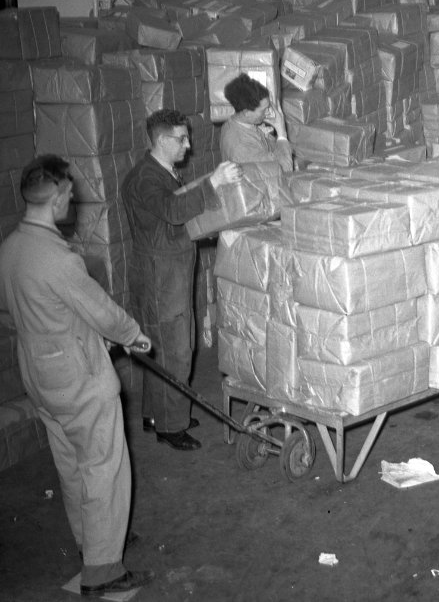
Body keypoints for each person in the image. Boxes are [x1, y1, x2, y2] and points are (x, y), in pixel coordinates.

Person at [0, 155, 154, 596]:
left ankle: (95, 542)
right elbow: (102, 311)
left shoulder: (10, 248)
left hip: (39, 372)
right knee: (104, 464)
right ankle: (104, 571)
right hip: (77, 375)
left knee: (72, 464)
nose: (74, 200)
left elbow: (21, 308)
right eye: (70, 193)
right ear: (57, 198)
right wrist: (134, 336)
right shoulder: (59, 259)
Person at [122, 110, 242, 450]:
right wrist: (213, 183)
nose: (188, 146)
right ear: (161, 141)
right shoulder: (147, 178)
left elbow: (174, 213)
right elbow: (173, 212)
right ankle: (170, 426)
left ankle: (155, 414)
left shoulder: (158, 172)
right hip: (163, 275)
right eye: (181, 138)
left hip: (166, 269)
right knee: (175, 350)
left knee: (160, 346)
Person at [220, 73, 293, 171]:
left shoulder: (240, 123)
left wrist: (268, 135)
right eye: (264, 110)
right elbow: (285, 170)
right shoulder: (241, 146)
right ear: (246, 112)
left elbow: (272, 153)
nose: (268, 112)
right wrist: (281, 132)